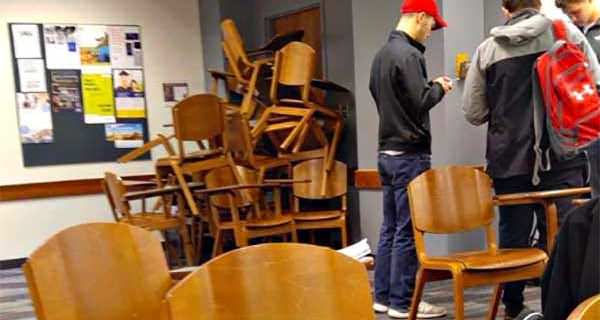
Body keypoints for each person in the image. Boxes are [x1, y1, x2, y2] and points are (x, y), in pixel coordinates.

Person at [462, 1, 600, 319]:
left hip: (509, 158)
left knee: (514, 236)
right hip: (564, 153)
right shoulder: (567, 35)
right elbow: (591, 84)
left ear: (504, 8)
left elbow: (473, 112)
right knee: (573, 232)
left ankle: (514, 307)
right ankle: (576, 309)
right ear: (538, 3)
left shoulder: (487, 50)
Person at [369, 0, 453, 318]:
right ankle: (404, 303)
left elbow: (376, 92)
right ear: (420, 17)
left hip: (386, 153)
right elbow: (420, 101)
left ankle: (384, 297)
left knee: (390, 228)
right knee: (408, 231)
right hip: (410, 156)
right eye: (432, 24)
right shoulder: (411, 54)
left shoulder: (381, 55)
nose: (432, 31)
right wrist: (440, 87)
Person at [555, 0, 600, 198]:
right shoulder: (569, 33)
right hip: (580, 128)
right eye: (568, 14)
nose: (572, 17)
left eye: (575, 11)